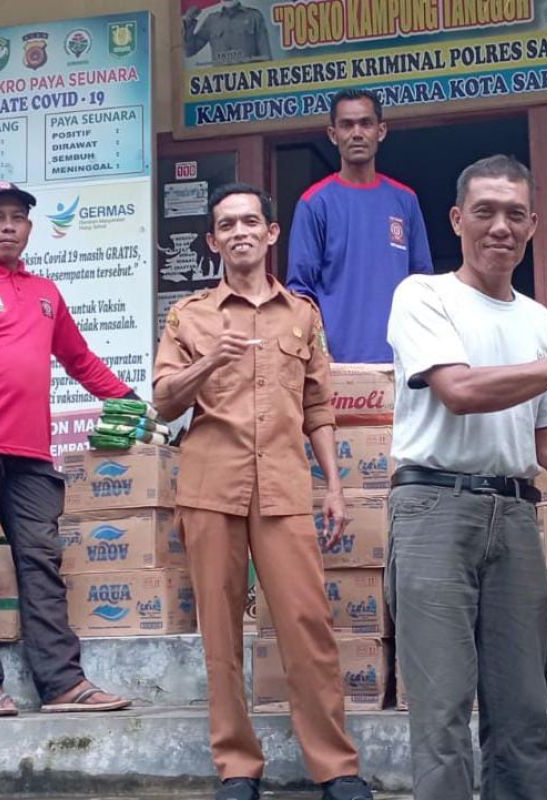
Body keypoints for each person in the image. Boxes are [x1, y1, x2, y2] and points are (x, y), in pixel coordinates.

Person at [385, 155, 547, 800]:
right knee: (441, 710)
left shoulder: (538, 321)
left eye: (515, 214)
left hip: (517, 514)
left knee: (524, 709)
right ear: (457, 219)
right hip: (433, 510)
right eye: (485, 211)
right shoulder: (423, 295)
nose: (500, 226)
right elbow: (461, 391)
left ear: (532, 227)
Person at [154, 183, 373, 800]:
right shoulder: (189, 315)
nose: (240, 232)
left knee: (308, 624)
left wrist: (333, 486)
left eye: (251, 221)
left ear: (272, 234)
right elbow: (163, 400)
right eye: (227, 225)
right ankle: (236, 766)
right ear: (213, 240)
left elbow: (319, 407)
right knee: (219, 632)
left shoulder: (302, 313)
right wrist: (208, 362)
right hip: (209, 486)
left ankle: (335, 766)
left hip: (282, 487)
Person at [0, 180, 133, 718]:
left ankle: (62, 684)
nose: (8, 226)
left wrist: (135, 403)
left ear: (31, 228)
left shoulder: (45, 293)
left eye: (17, 217)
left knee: (42, 561)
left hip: (33, 455)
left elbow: (81, 360)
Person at [287, 88, 433, 364]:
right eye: (346, 125)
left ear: (381, 130)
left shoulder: (405, 200)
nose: (356, 133)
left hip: (402, 362)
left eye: (365, 123)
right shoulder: (314, 203)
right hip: (337, 365)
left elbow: (422, 285)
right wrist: (319, 351)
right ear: (333, 134)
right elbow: (300, 294)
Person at [183, 0, 270, 66]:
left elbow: (266, 56)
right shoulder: (212, 20)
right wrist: (188, 21)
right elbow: (189, 51)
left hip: (249, 82)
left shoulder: (254, 16)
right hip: (221, 84)